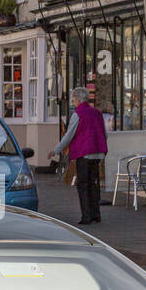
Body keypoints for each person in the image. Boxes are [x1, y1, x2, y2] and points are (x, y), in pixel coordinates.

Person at [51, 87, 108, 225]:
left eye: (73, 100)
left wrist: (56, 150)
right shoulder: (97, 113)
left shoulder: (78, 114)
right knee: (94, 184)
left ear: (78, 99)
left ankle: (86, 216)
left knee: (83, 184)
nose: (73, 103)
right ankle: (96, 214)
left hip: (84, 152)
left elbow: (69, 135)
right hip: (98, 152)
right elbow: (105, 133)